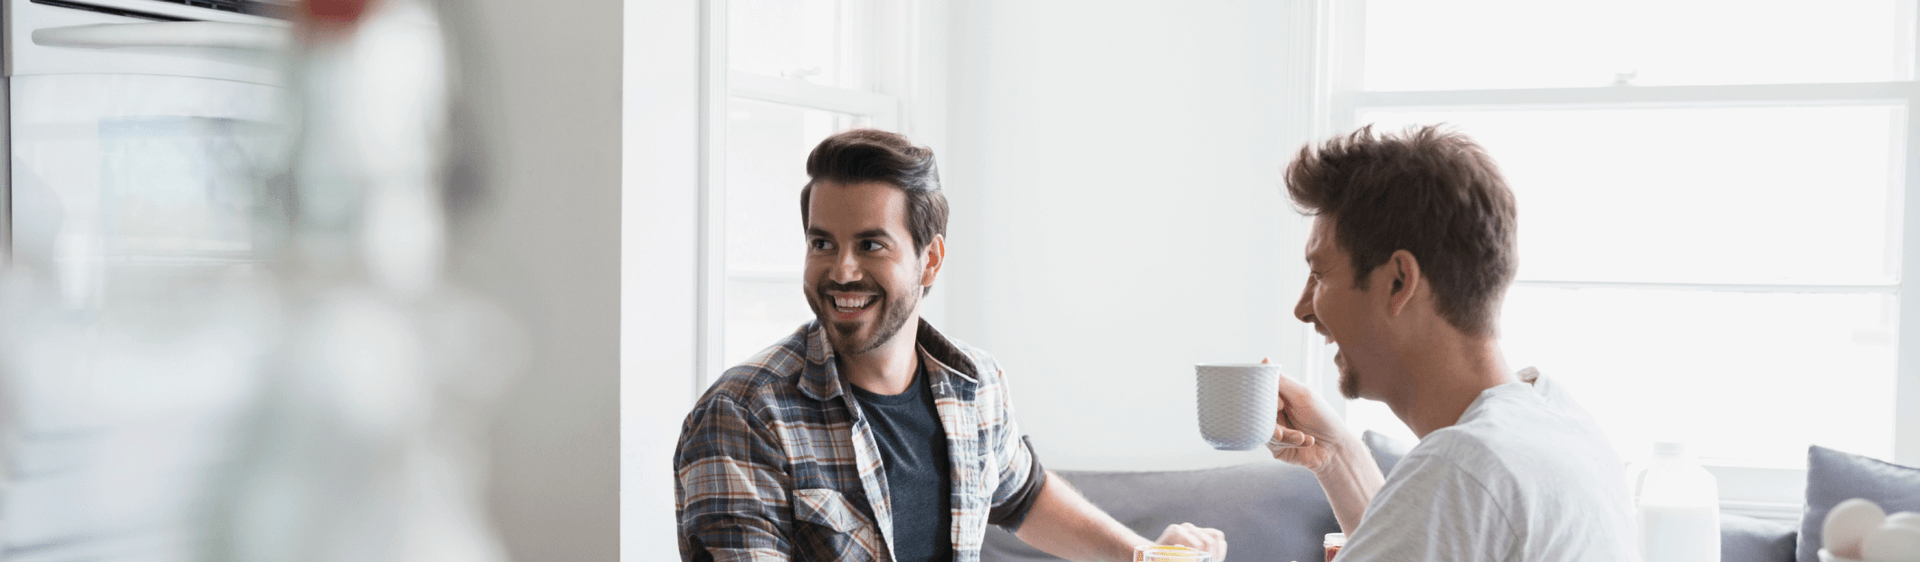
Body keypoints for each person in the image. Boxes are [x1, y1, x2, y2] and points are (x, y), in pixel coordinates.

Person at [674, 129, 1228, 562]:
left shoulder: (973, 384)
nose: (841, 270)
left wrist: (1144, 552)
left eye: (870, 244)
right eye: (823, 243)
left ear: (930, 259)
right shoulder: (745, 415)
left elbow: (1025, 495)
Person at [1262, 125, 1639, 560]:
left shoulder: (1464, 467)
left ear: (1399, 281)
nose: (1303, 308)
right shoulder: (1560, 424)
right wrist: (1337, 457)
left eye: (1320, 274)